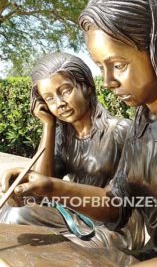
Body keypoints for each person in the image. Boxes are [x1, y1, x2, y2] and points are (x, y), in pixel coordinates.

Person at [1, 0, 157, 266]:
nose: (107, 81)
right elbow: (118, 204)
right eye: (101, 67)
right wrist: (48, 187)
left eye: (118, 65)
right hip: (135, 251)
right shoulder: (144, 118)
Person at [0, 52, 144, 260]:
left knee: (31, 229)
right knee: (11, 212)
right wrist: (48, 126)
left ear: (86, 86)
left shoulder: (120, 131)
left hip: (113, 226)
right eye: (49, 98)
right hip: (76, 216)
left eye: (65, 91)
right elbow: (42, 190)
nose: (59, 103)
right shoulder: (63, 137)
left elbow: (125, 203)